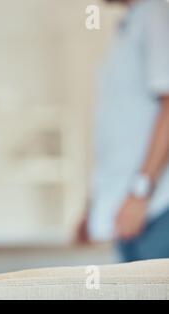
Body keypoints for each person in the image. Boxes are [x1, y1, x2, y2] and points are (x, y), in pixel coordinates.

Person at [76, 0, 169, 262]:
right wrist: (93, 205)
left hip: (156, 208)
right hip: (130, 211)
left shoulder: (155, 13)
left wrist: (141, 192)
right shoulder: (131, 24)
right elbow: (121, 130)